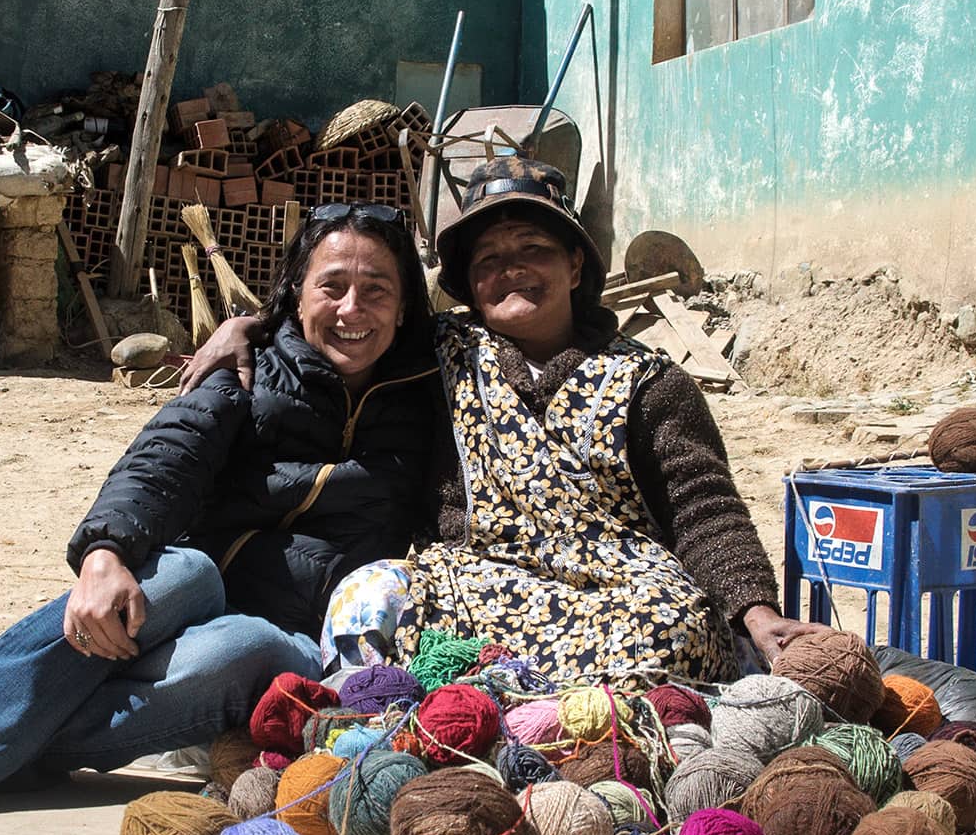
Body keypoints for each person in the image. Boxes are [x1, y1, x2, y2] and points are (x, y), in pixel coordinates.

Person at [0, 205, 441, 814]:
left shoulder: (435, 396)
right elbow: (165, 456)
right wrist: (105, 553)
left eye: (376, 291)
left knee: (250, 646)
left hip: (296, 633)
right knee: (184, 574)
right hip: (179, 601)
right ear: (296, 293)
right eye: (332, 287)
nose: (353, 309)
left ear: (406, 305)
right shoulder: (247, 368)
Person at [189, 157, 821, 684]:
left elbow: (704, 508)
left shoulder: (651, 383)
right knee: (366, 595)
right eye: (488, 258)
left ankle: (526, 720)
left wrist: (757, 614)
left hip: (619, 597)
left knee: (678, 626)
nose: (510, 268)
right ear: (467, 281)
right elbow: (349, 324)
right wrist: (253, 327)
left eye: (533, 249)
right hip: (470, 587)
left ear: (576, 266)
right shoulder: (437, 353)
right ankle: (415, 720)